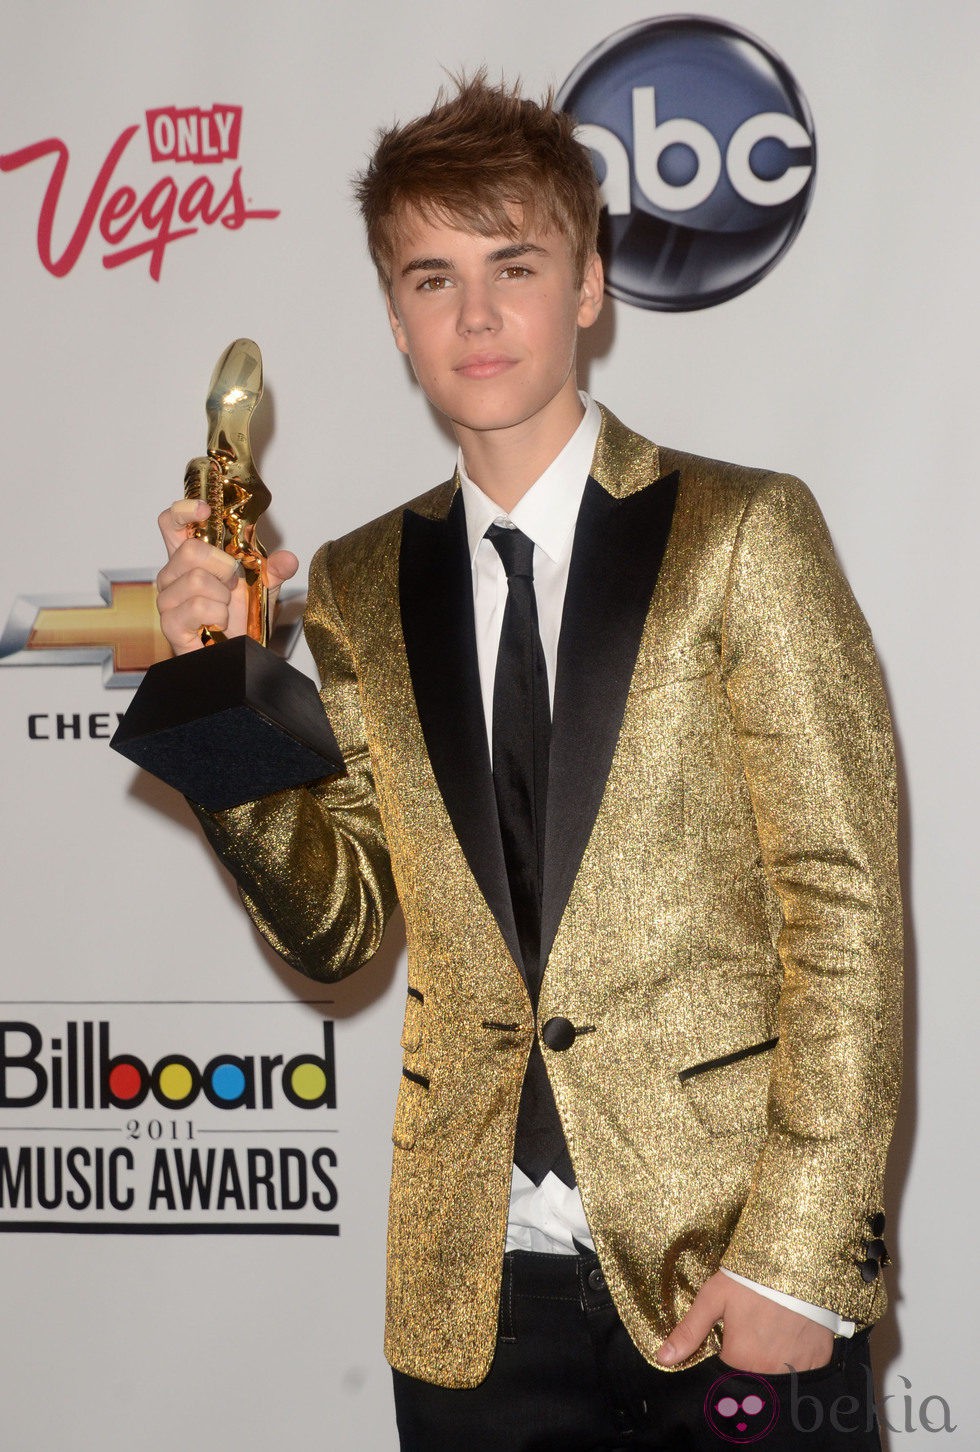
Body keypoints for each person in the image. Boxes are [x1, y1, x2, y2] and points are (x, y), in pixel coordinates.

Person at [154, 76, 902, 1451]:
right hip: (475, 1294)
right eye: (432, 278)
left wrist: (800, 1257)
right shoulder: (360, 583)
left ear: (589, 286)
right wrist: (214, 689)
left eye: (515, 265)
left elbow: (841, 908)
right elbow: (338, 927)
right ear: (396, 322)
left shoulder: (740, 530)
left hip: (728, 1269)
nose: (477, 314)